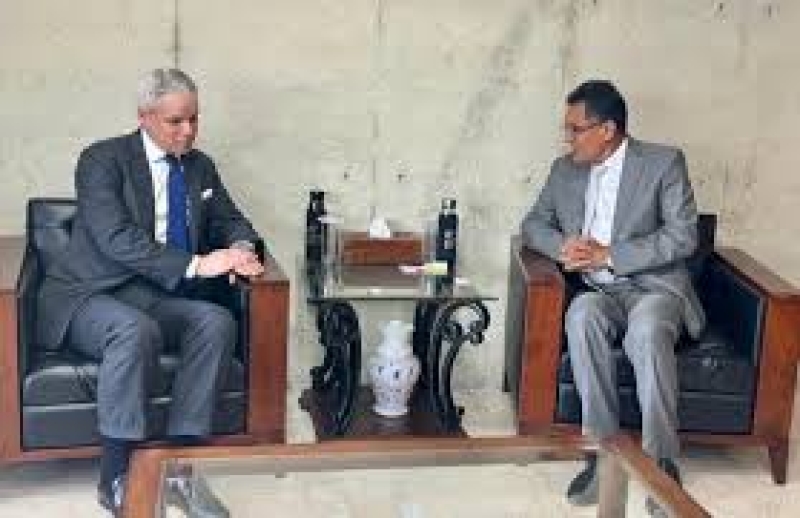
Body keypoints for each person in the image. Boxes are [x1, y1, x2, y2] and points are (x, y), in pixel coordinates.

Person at [36, 68, 265, 517]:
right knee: (132, 330)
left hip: (154, 295)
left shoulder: (200, 166)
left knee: (215, 322)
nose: (188, 131)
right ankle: (116, 476)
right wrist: (198, 263)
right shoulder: (101, 160)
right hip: (89, 294)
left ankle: (179, 466)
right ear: (144, 116)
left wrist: (240, 249)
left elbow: (231, 219)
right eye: (175, 121)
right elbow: (115, 237)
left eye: (194, 119)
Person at [521, 80, 704, 514]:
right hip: (599, 290)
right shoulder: (564, 171)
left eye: (575, 129)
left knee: (646, 331)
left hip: (654, 289)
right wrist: (563, 247)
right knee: (581, 316)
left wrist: (610, 254)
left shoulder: (663, 163)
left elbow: (683, 236)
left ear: (607, 130)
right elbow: (533, 225)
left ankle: (661, 463)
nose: (567, 138)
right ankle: (601, 453)